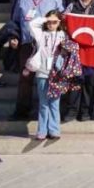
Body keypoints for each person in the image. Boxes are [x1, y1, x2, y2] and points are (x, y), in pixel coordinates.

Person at [7, 0, 64, 120]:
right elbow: (14, 21)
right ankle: (22, 111)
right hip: (28, 45)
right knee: (25, 78)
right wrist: (14, 36)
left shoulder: (56, 0)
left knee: (48, 78)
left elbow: (62, 23)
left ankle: (47, 112)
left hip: (48, 47)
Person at [25, 10, 66, 141]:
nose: (51, 24)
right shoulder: (41, 34)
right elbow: (31, 24)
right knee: (43, 103)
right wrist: (45, 18)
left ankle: (54, 130)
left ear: (59, 22)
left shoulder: (63, 35)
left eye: (54, 22)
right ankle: (42, 130)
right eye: (49, 22)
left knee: (54, 102)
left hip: (57, 73)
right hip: (42, 72)